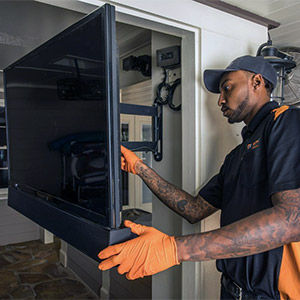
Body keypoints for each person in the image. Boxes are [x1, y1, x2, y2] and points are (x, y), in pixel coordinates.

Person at [98, 55, 300, 299]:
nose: (220, 100)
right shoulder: (237, 155)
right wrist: (140, 168)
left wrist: (173, 249)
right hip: (230, 289)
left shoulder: (288, 122)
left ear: (257, 82)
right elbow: (194, 209)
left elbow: (293, 219)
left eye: (227, 87)